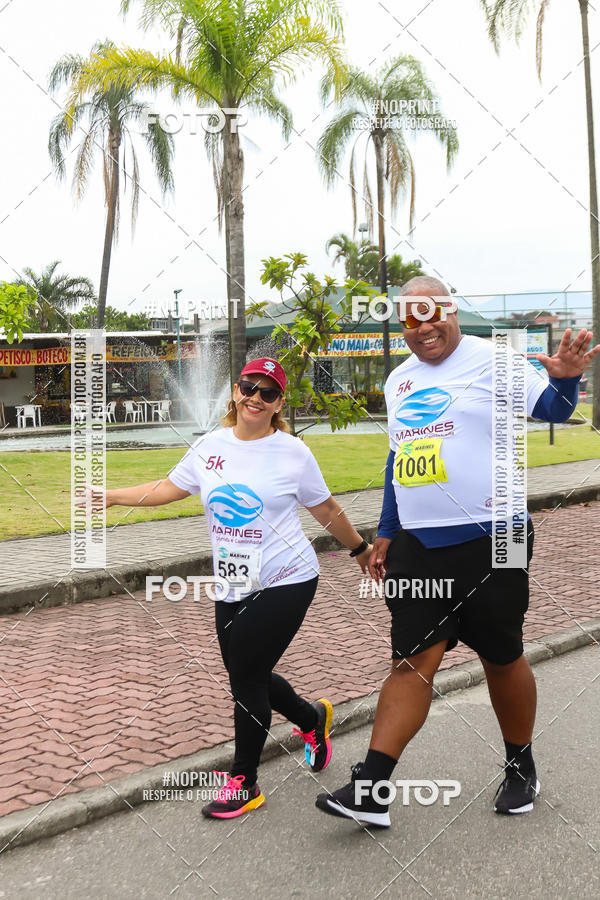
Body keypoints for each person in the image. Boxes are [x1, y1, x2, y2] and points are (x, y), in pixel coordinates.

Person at [316, 276, 600, 828]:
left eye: (432, 314)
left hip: (500, 535)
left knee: (501, 653)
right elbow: (400, 460)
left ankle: (521, 765)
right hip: (419, 546)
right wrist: (387, 530)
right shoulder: (399, 381)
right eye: (409, 321)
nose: (423, 329)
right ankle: (372, 788)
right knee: (412, 659)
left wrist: (566, 379)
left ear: (451, 310)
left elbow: (553, 409)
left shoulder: (494, 359)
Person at [97, 357, 372, 819]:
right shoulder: (211, 446)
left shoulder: (291, 451)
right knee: (251, 675)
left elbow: (324, 509)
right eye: (249, 387)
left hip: (288, 577)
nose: (255, 398)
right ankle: (312, 719)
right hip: (234, 582)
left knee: (246, 676)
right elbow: (170, 487)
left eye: (268, 393)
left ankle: (244, 780)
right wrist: (109, 496)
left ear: (279, 402)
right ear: (235, 391)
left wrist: (360, 548)